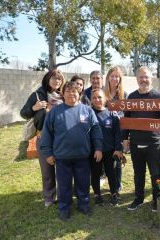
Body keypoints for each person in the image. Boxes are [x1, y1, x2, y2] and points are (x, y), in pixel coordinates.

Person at [40, 81, 103, 220]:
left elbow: (96, 131)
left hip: (82, 157)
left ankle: (84, 204)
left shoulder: (87, 110)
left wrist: (98, 148)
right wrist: (48, 153)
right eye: (67, 91)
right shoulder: (55, 112)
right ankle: (64, 207)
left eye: (74, 91)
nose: (71, 93)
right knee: (64, 185)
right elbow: (47, 134)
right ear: (63, 94)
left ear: (79, 93)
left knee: (83, 183)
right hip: (62, 157)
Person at [123, 66, 160, 212]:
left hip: (154, 143)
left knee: (156, 173)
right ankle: (139, 198)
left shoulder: (159, 97)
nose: (143, 80)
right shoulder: (131, 97)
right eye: (141, 77)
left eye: (146, 77)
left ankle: (156, 200)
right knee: (138, 173)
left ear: (151, 79)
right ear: (137, 79)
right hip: (136, 141)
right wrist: (125, 138)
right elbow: (126, 119)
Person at [20, 69, 64, 207]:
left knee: (62, 170)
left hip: (62, 138)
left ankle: (63, 196)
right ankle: (49, 197)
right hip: (44, 138)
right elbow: (24, 113)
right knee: (47, 170)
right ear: (47, 79)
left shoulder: (64, 95)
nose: (56, 81)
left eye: (59, 79)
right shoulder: (38, 94)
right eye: (53, 78)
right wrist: (34, 107)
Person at [90, 88, 123, 206]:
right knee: (95, 173)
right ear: (91, 100)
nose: (97, 100)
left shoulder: (111, 113)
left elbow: (117, 133)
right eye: (94, 98)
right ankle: (97, 194)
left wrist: (118, 148)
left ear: (105, 99)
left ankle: (113, 193)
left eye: (99, 97)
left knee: (111, 172)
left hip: (110, 150)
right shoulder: (89, 112)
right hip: (95, 151)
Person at [104, 66, 128, 192]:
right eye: (112, 76)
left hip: (119, 130)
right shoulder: (102, 94)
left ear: (120, 79)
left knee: (117, 157)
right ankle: (108, 180)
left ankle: (118, 184)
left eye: (117, 76)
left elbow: (127, 113)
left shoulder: (124, 94)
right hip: (106, 130)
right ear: (108, 78)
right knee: (107, 158)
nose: (114, 78)